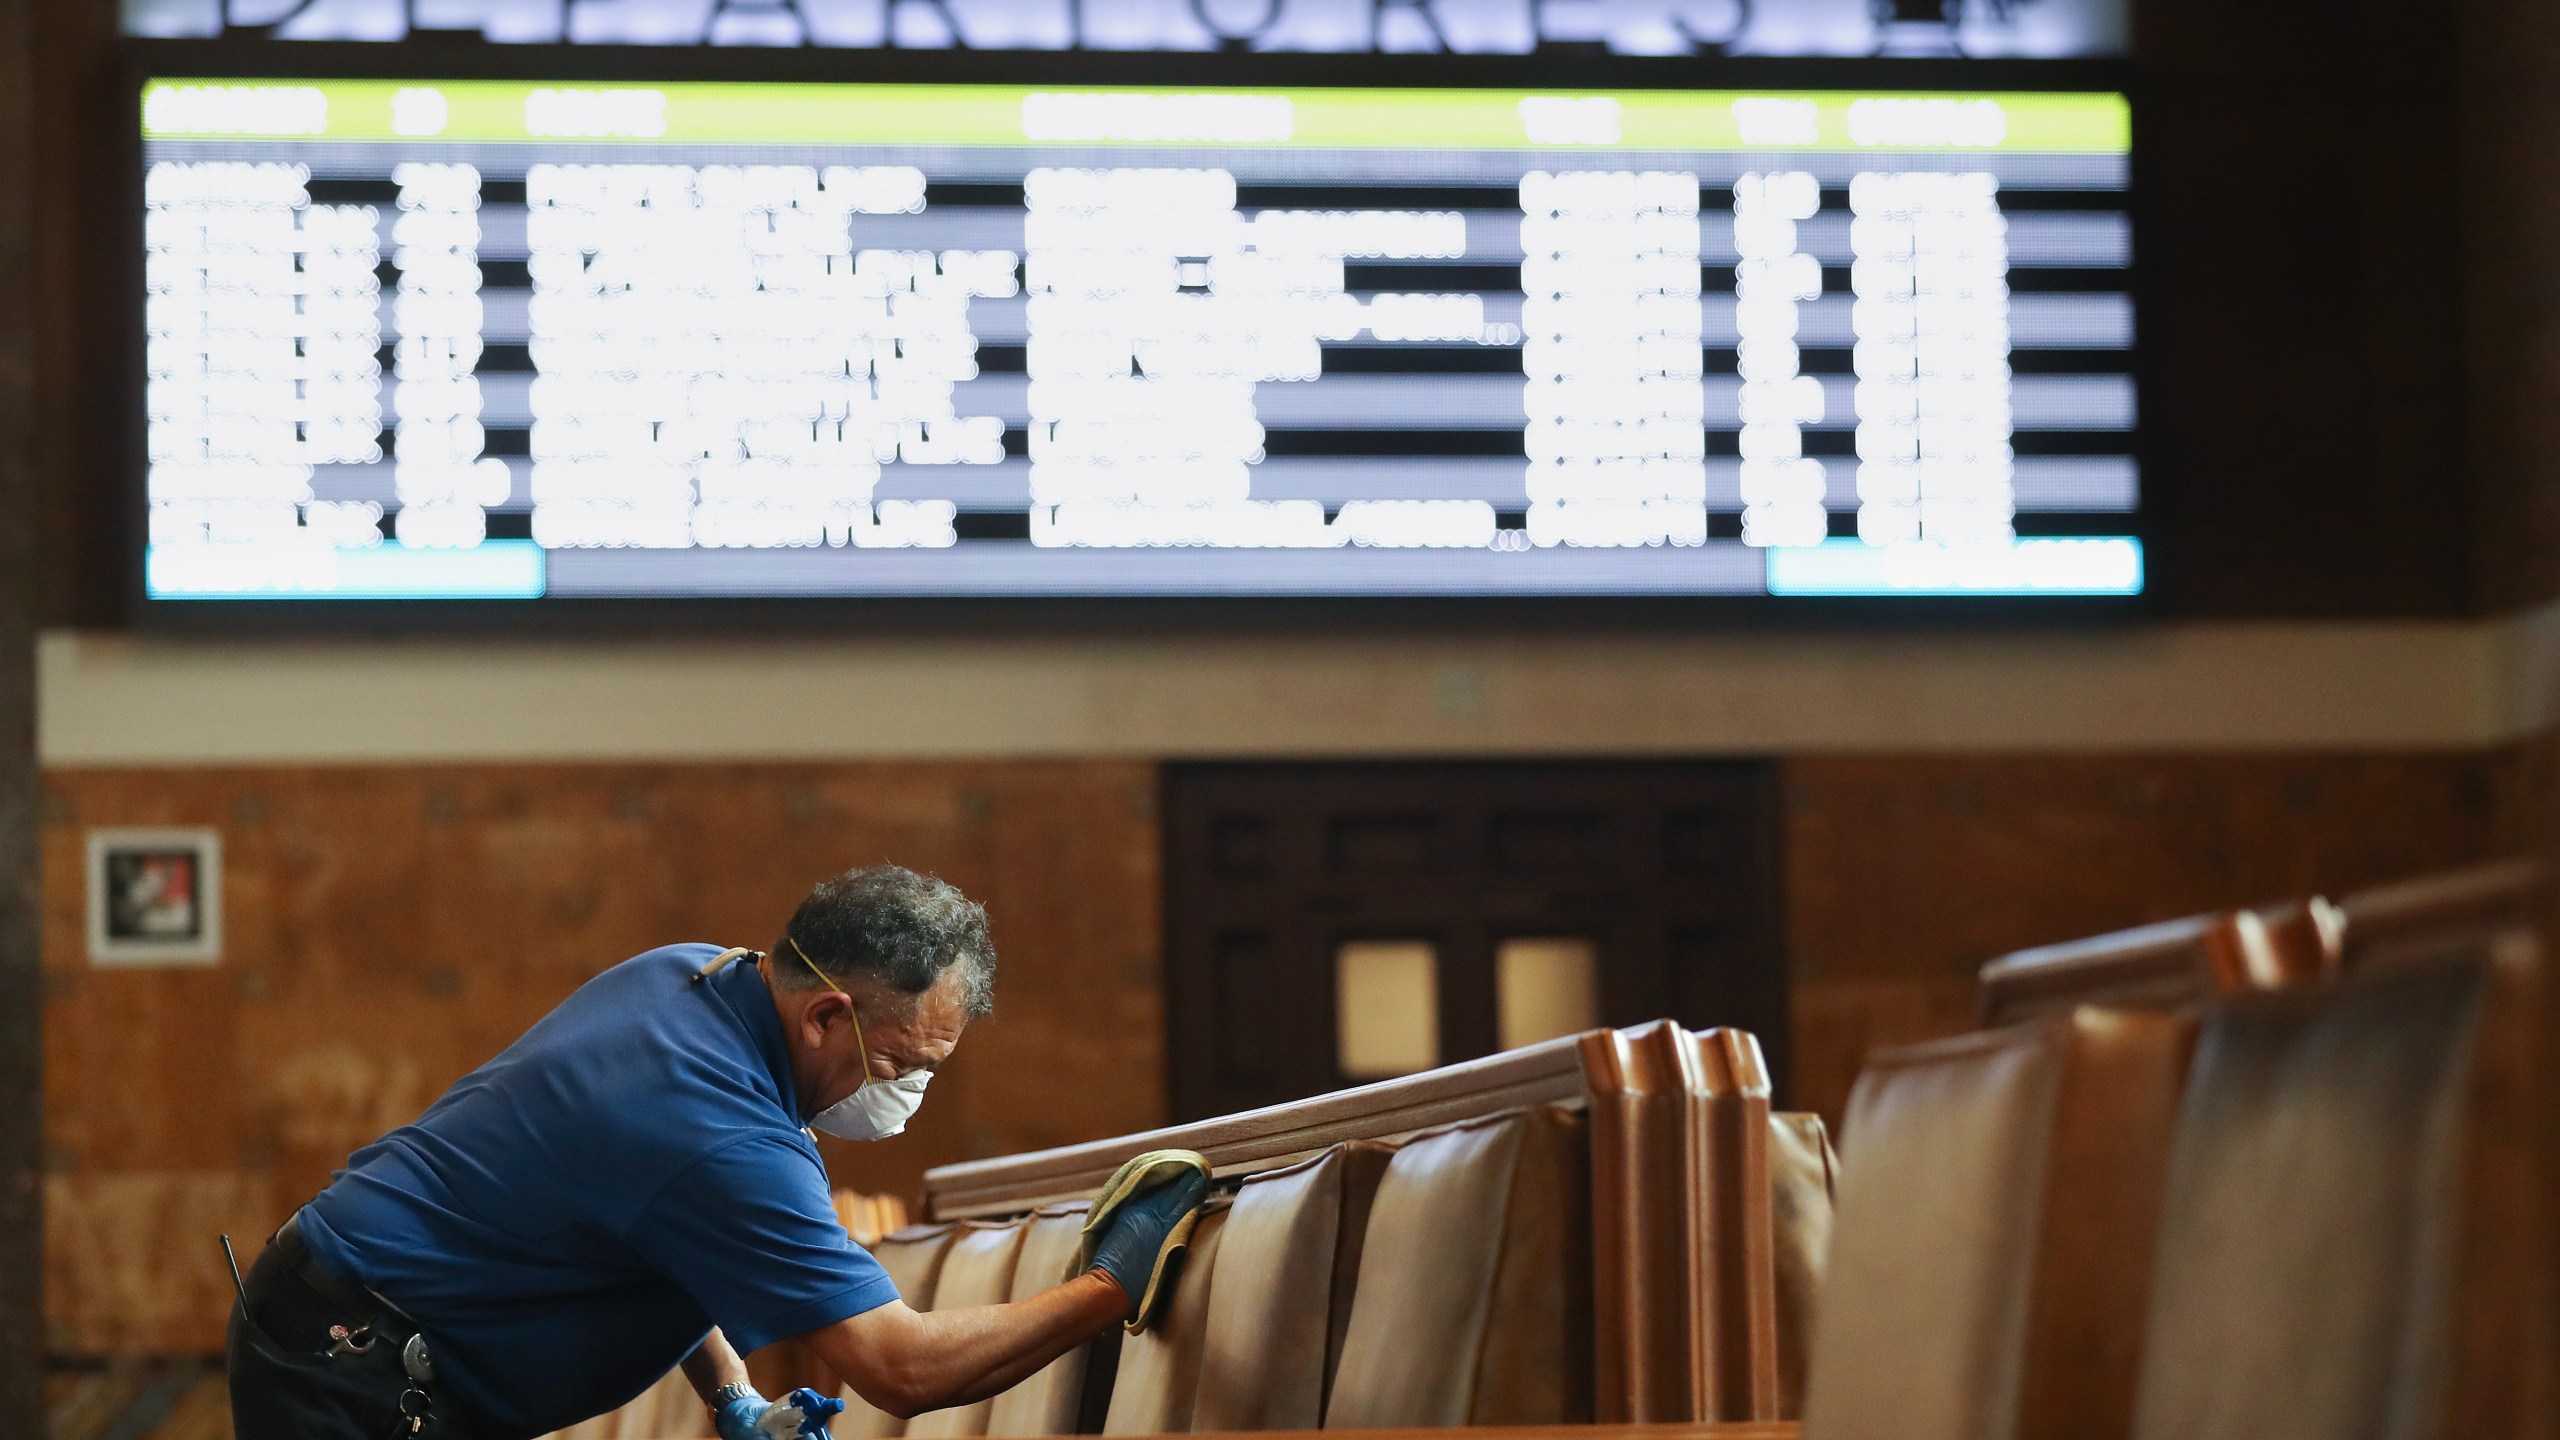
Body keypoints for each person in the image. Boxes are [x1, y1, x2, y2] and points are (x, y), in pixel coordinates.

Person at [224, 864, 1207, 1440]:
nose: (910, 1092)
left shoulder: (688, 976)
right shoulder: (721, 1133)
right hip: (355, 1377)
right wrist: (1112, 1282)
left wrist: (734, 1395)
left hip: (340, 1321)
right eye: (904, 1062)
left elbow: (642, 1223)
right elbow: (905, 1372)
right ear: (827, 1013)